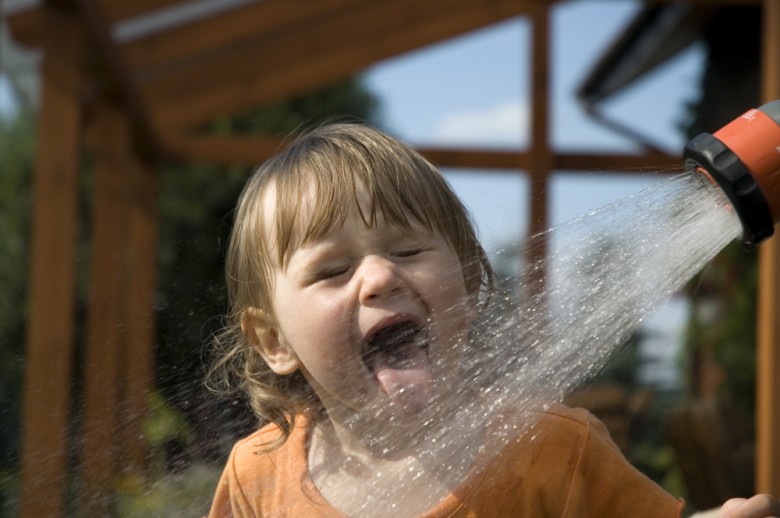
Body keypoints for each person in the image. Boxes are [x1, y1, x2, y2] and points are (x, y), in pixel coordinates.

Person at [206, 122, 780, 517]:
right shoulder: (257, 477)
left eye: (408, 252)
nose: (380, 278)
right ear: (274, 341)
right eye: (332, 270)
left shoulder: (555, 450)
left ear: (470, 286)